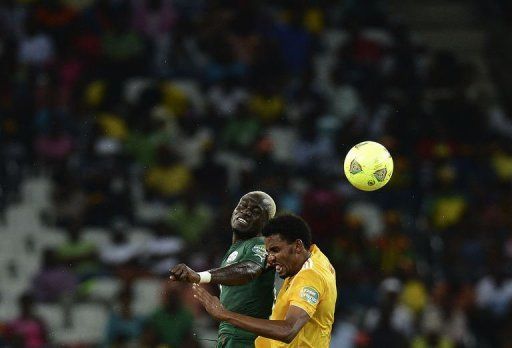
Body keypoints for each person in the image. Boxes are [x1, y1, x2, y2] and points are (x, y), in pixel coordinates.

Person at [192, 213, 337, 348]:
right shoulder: (314, 259)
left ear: (298, 246)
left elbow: (288, 330)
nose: (270, 258)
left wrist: (225, 314)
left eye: (275, 250)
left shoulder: (310, 274)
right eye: (268, 252)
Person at [169, 191, 277, 347]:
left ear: (266, 223)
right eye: (243, 206)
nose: (246, 211)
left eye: (255, 211)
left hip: (248, 338)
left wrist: (200, 276)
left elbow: (250, 269)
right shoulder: (236, 249)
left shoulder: (260, 243)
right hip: (231, 335)